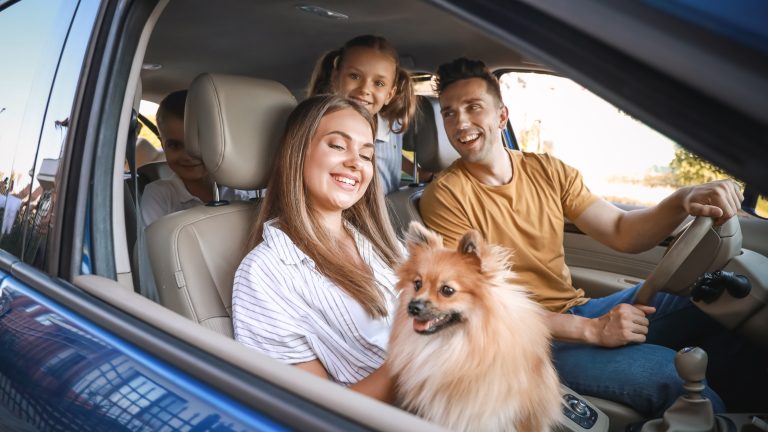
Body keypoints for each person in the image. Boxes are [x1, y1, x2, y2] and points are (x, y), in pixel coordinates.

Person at [419, 58, 767, 418]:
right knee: (673, 375)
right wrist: (590, 330)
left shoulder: (547, 170)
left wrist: (681, 200)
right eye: (449, 113)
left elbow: (621, 231)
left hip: (576, 310)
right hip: (523, 344)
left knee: (714, 300)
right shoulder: (445, 196)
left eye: (473, 107)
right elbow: (478, 306)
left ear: (502, 116)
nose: (460, 122)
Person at [232, 95, 402, 401]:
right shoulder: (265, 273)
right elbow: (315, 412)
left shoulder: (381, 244)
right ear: (297, 152)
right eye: (338, 146)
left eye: (366, 155)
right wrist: (416, 352)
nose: (355, 163)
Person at [307, 35, 430, 194]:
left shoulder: (390, 125)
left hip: (383, 212)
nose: (364, 89)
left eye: (378, 83)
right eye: (354, 76)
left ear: (389, 95)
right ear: (335, 78)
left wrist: (421, 174)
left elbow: (390, 157)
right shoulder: (318, 125)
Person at [140, 90, 253, 226]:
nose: (188, 155)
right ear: (163, 146)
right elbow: (153, 245)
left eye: (199, 144)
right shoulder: (159, 195)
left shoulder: (246, 191)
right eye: (175, 145)